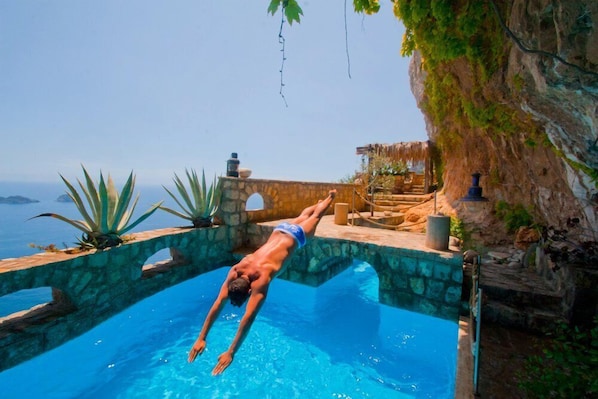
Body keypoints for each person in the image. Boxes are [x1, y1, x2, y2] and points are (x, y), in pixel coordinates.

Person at [187, 190, 337, 375]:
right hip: (280, 230)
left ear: (249, 291)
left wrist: (231, 352)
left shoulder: (261, 280)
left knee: (316, 215)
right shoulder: (236, 270)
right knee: (304, 215)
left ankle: (330, 197)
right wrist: (201, 337)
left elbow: (248, 318)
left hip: (296, 236)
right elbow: (218, 303)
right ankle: (321, 201)